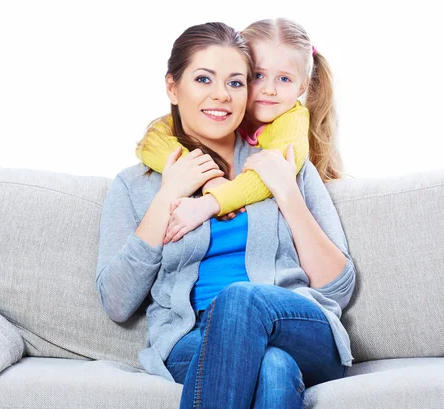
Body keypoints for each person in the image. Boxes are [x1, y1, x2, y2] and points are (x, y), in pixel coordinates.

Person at [96, 20, 355, 409]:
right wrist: (169, 193)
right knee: (273, 368)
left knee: (240, 300)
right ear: (172, 86)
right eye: (203, 79)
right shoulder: (137, 183)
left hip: (296, 321)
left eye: (235, 82)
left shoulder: (285, 164)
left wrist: (286, 191)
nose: (221, 95)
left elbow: (337, 288)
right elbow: (116, 303)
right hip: (190, 338)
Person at [135, 18, 341, 246]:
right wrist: (206, 177)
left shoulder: (291, 121)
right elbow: (152, 141)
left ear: (302, 86)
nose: (269, 90)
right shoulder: (222, 110)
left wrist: (212, 202)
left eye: (284, 79)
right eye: (258, 76)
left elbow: (271, 175)